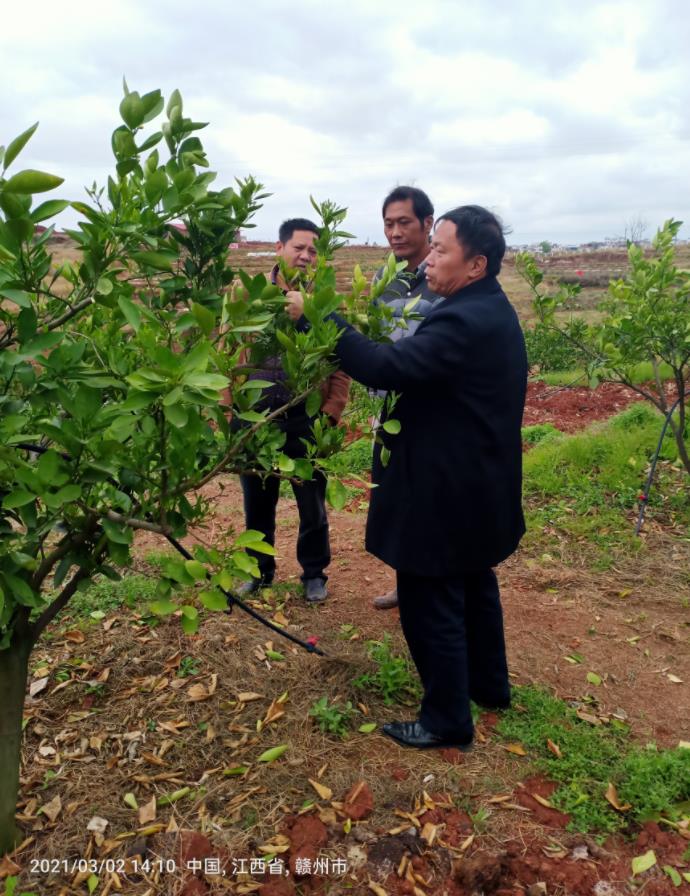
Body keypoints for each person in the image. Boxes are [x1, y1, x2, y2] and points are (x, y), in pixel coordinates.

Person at [286, 205, 527, 748]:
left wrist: (319, 318)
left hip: (444, 488)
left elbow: (384, 367)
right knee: (473, 580)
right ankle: (489, 687)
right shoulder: (489, 307)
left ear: (477, 264)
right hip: (477, 481)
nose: (429, 259)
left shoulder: (461, 319)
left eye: (442, 250)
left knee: (430, 595)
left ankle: (446, 720)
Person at [237, 218, 351, 603]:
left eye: (313, 251)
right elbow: (225, 353)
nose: (305, 256)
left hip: (307, 419)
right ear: (279, 248)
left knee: (312, 503)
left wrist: (331, 412)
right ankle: (259, 571)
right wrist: (226, 412)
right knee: (257, 502)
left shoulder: (325, 302)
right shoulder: (247, 293)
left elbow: (341, 362)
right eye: (299, 248)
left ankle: (313, 574)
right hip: (255, 418)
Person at [372, 186, 442, 610]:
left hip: (433, 407)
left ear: (427, 223)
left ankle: (430, 584)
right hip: (393, 405)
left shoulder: (441, 278)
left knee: (428, 496)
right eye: (389, 224)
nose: (395, 232)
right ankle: (406, 581)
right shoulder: (387, 281)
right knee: (396, 494)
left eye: (404, 222)